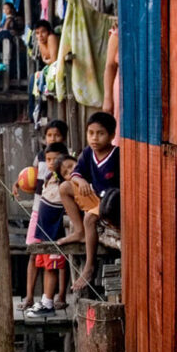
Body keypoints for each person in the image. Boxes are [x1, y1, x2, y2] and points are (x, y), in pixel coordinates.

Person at [58, 111, 120, 292]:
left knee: (89, 219)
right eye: (90, 133)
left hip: (111, 204)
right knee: (65, 188)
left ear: (111, 135)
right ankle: (79, 232)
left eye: (100, 133)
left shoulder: (117, 155)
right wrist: (81, 181)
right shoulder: (87, 153)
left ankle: (89, 267)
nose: (94, 138)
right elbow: (76, 174)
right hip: (94, 199)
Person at [14, 119, 69, 310]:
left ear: (64, 138)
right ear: (44, 138)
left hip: (55, 217)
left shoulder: (66, 162)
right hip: (39, 211)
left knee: (58, 259)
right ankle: (30, 297)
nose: (52, 138)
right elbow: (30, 175)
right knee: (34, 253)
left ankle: (59, 297)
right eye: (49, 135)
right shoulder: (41, 156)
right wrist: (18, 183)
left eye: (57, 135)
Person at [24, 143, 69, 318]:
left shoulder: (64, 180)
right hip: (44, 230)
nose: (50, 163)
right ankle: (44, 300)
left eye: (55, 159)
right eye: (48, 159)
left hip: (54, 230)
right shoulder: (49, 176)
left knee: (52, 267)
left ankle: (48, 303)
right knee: (44, 265)